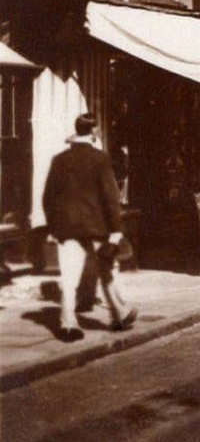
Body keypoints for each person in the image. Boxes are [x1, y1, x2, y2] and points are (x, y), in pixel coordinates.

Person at [42, 114, 136, 341]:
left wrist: (54, 227)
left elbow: (48, 197)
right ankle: (120, 312)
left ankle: (68, 324)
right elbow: (110, 197)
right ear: (93, 133)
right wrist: (116, 230)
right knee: (106, 269)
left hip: (67, 228)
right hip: (97, 227)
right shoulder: (100, 159)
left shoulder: (59, 160)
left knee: (70, 277)